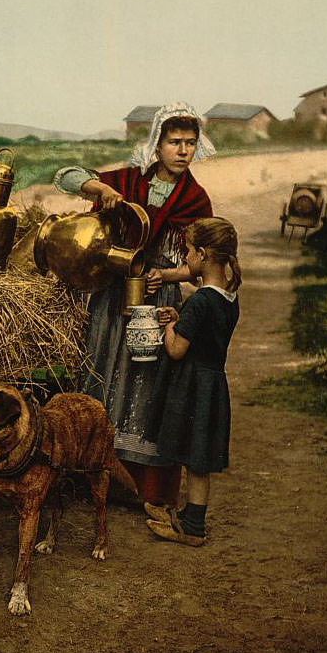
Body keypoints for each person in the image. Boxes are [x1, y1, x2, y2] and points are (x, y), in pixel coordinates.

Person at [52, 102, 216, 509]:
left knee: (147, 383)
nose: (183, 151)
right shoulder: (125, 180)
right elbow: (65, 176)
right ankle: (88, 475)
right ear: (156, 144)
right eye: (174, 142)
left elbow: (206, 262)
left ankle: (143, 488)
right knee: (100, 369)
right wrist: (100, 190)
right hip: (110, 295)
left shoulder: (195, 199)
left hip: (157, 300)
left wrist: (171, 276)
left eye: (190, 144)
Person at [144, 217, 241, 546]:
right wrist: (180, 318)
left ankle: (193, 529)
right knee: (198, 459)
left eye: (187, 251)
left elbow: (175, 349)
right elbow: (204, 334)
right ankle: (191, 518)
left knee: (194, 460)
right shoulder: (228, 298)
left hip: (193, 386)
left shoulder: (200, 301)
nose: (184, 259)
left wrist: (169, 326)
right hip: (213, 385)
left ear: (202, 254)